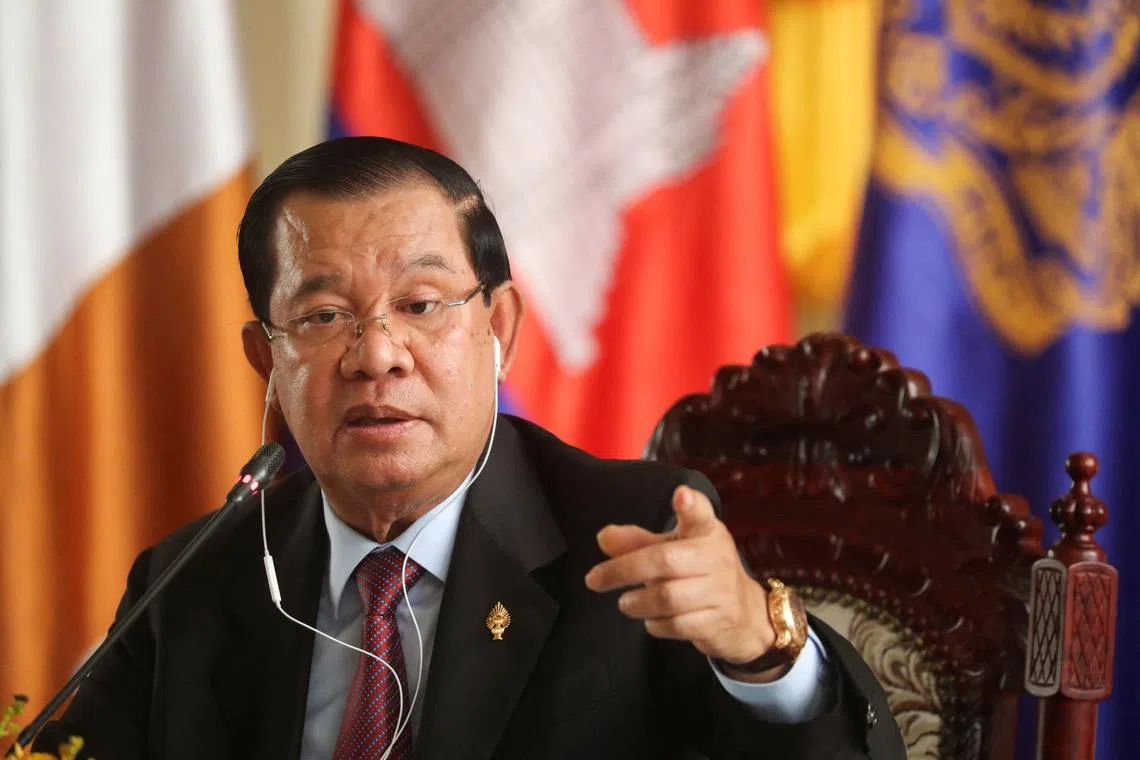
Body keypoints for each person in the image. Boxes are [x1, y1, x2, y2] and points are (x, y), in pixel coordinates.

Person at [35, 137, 904, 759]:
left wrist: (762, 645)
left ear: (498, 330)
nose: (377, 354)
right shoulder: (194, 578)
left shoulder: (632, 541)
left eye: (421, 304)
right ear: (267, 357)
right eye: (325, 315)